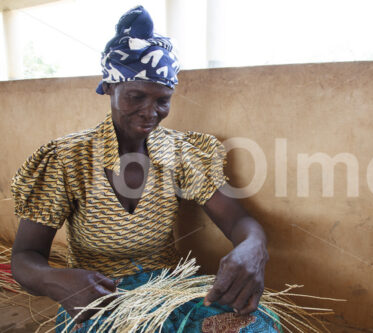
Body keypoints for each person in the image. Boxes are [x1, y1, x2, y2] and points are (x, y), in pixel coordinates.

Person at [10, 6, 277, 332]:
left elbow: (239, 221)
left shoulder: (181, 152)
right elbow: (25, 257)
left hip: (168, 290)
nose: (150, 112)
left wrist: (252, 248)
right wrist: (55, 279)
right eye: (136, 96)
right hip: (96, 300)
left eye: (162, 100)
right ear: (109, 87)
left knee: (251, 325)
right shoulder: (67, 158)